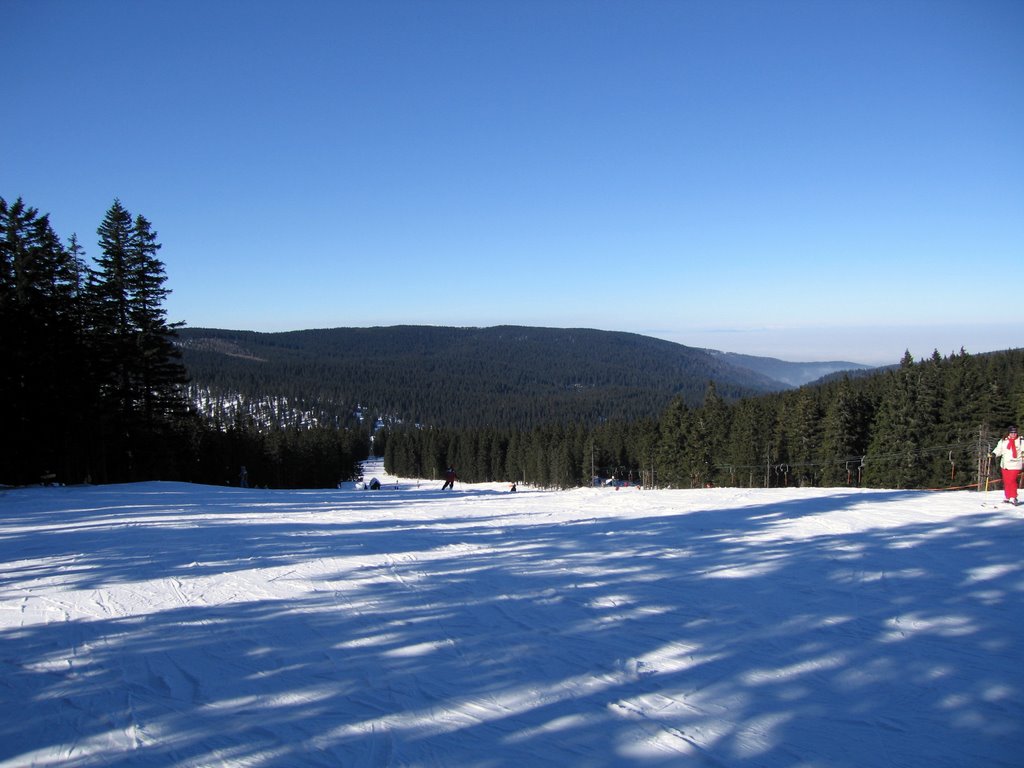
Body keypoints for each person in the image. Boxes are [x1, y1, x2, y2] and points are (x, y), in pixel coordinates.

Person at [992, 426, 1023, 505]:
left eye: (1015, 432)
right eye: (1012, 432)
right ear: (1008, 433)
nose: (1013, 434)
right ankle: (1007, 496)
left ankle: (1013, 496)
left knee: (1011, 480)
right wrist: (994, 454)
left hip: (1016, 463)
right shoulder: (1003, 441)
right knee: (1006, 481)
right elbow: (999, 449)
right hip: (1005, 464)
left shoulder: (1020, 440)